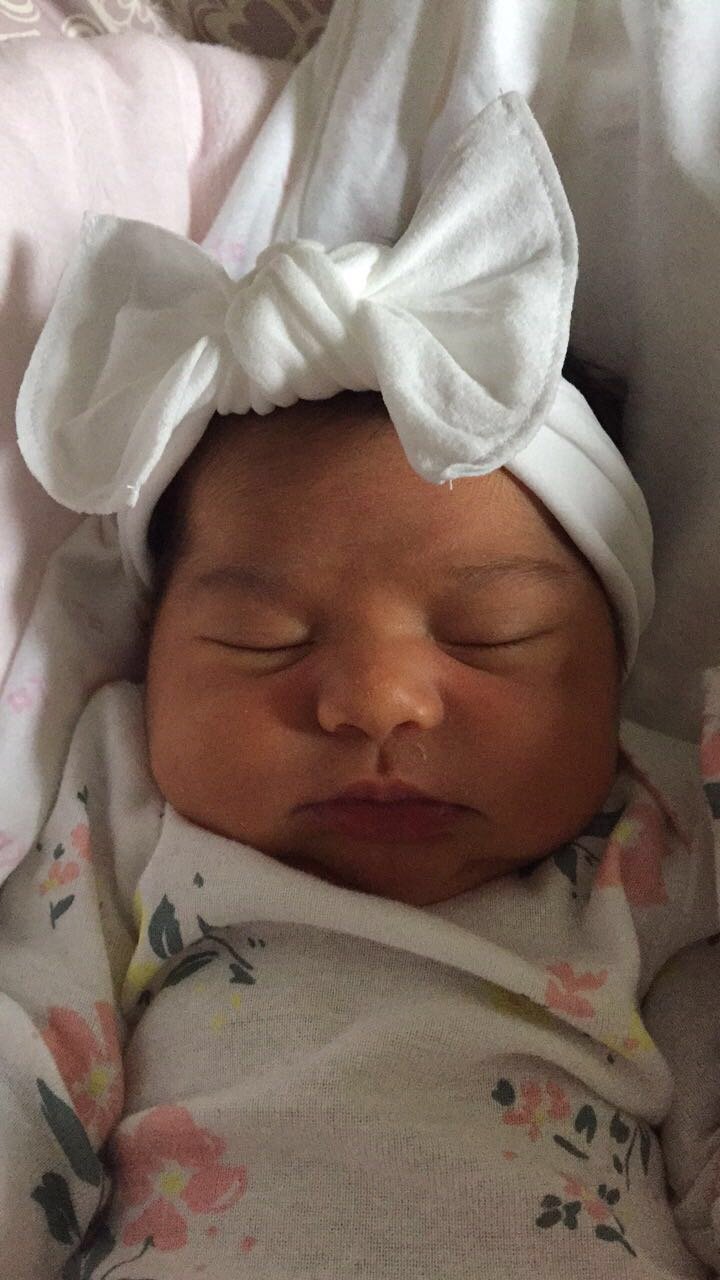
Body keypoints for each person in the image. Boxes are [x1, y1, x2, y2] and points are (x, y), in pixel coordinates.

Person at [2, 93, 718, 1279]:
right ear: (154, 653)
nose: (378, 701)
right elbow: (28, 1054)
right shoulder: (129, 799)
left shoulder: (656, 827)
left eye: (491, 635)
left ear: (611, 673)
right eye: (263, 640)